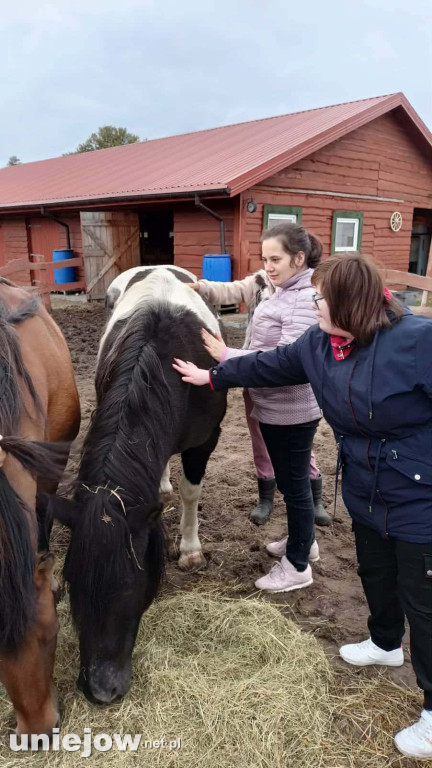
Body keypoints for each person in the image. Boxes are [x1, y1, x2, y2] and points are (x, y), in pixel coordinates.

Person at [173, 252, 432, 759]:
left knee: (424, 602)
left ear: (349, 303)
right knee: (375, 571)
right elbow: (269, 364)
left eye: (322, 298)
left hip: (420, 492)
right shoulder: (319, 343)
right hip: (366, 486)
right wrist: (213, 377)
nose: (315, 304)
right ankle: (384, 643)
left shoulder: (418, 341)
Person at [189, 267, 330, 526]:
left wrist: (227, 356)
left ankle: (314, 495)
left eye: (276, 259)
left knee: (300, 447)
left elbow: (287, 358)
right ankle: (266, 495)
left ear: (298, 259)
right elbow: (231, 290)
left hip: (286, 384)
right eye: (266, 259)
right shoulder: (260, 282)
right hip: (254, 375)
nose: (270, 266)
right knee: (260, 441)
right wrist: (199, 286)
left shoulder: (308, 294)